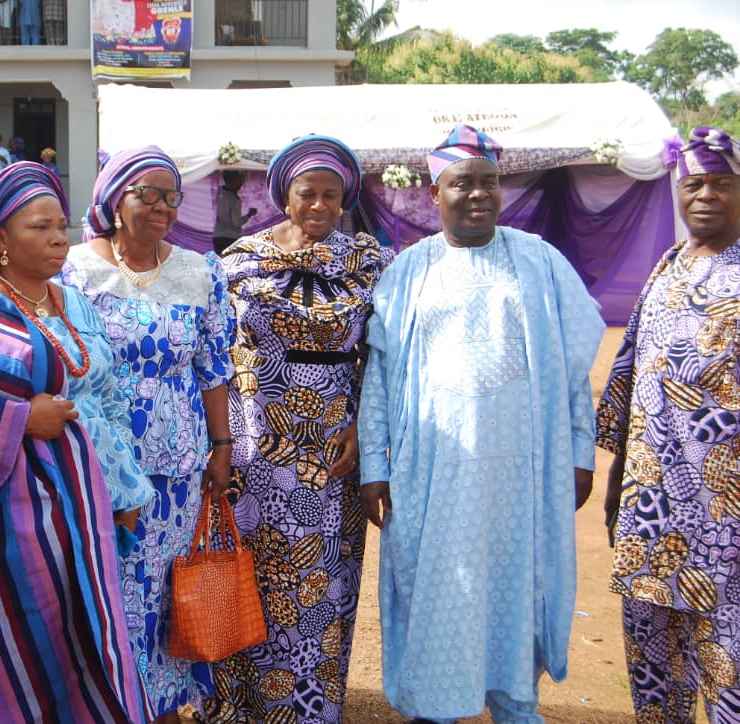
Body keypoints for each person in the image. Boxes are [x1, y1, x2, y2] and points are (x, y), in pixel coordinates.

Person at [357, 124, 605, 722]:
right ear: (434, 192)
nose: (478, 195)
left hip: (521, 470)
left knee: (515, 584)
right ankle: (434, 707)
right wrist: (374, 463)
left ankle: (514, 699)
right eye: (462, 183)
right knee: (437, 585)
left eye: (489, 183)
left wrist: (579, 450)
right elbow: (380, 377)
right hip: (430, 469)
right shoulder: (408, 270)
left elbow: (571, 371)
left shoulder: (539, 261)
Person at [0, 161, 153, 722]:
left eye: (60, 225)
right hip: (12, 520)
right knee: (13, 644)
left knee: (84, 631)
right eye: (39, 227)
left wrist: (123, 488)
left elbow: (110, 392)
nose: (57, 238)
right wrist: (21, 418)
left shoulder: (70, 303)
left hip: (89, 506)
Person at [204, 135, 393, 722]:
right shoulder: (237, 261)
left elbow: (386, 357)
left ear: (345, 199)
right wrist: (223, 443)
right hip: (258, 440)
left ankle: (308, 707)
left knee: (320, 581)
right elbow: (216, 352)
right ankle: (241, 705)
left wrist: (364, 429)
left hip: (335, 445)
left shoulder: (370, 261)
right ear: (284, 196)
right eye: (307, 193)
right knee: (249, 572)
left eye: (331, 195)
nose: (319, 205)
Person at [62, 145, 236, 722]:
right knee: (102, 580)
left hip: (175, 466)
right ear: (115, 201)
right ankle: (105, 699)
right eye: (149, 194)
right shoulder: (72, 270)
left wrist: (221, 447)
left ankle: (157, 704)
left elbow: (212, 367)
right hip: (96, 459)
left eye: (172, 196)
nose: (164, 206)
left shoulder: (199, 271)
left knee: (163, 587)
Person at [596, 127, 740, 723]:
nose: (704, 195)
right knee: (653, 659)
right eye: (693, 183)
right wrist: (619, 476)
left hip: (724, 511)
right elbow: (633, 374)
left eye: (722, 184)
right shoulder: (669, 265)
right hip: (650, 504)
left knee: (726, 653)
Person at [212, 170, 256, 255]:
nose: (241, 184)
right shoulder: (235, 200)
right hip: (229, 238)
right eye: (240, 181)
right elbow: (236, 222)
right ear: (235, 180)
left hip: (217, 237)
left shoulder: (220, 191)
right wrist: (249, 215)